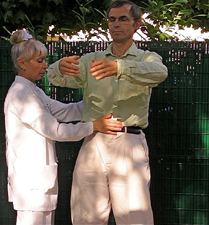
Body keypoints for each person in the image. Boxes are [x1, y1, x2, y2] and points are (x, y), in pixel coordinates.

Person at [47, 0, 168, 224]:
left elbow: (160, 73)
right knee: (86, 215)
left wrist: (120, 68)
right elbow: (56, 76)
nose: (116, 24)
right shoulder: (91, 60)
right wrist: (58, 66)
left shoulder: (146, 58)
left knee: (135, 216)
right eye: (112, 19)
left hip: (129, 143)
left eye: (123, 19)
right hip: (93, 141)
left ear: (137, 24)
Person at [4, 29, 123, 225]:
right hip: (31, 184)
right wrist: (93, 125)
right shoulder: (21, 95)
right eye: (39, 61)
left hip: (37, 184)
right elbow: (57, 130)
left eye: (44, 60)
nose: (45, 66)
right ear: (22, 63)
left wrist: (97, 100)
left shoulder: (32, 91)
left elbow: (66, 111)